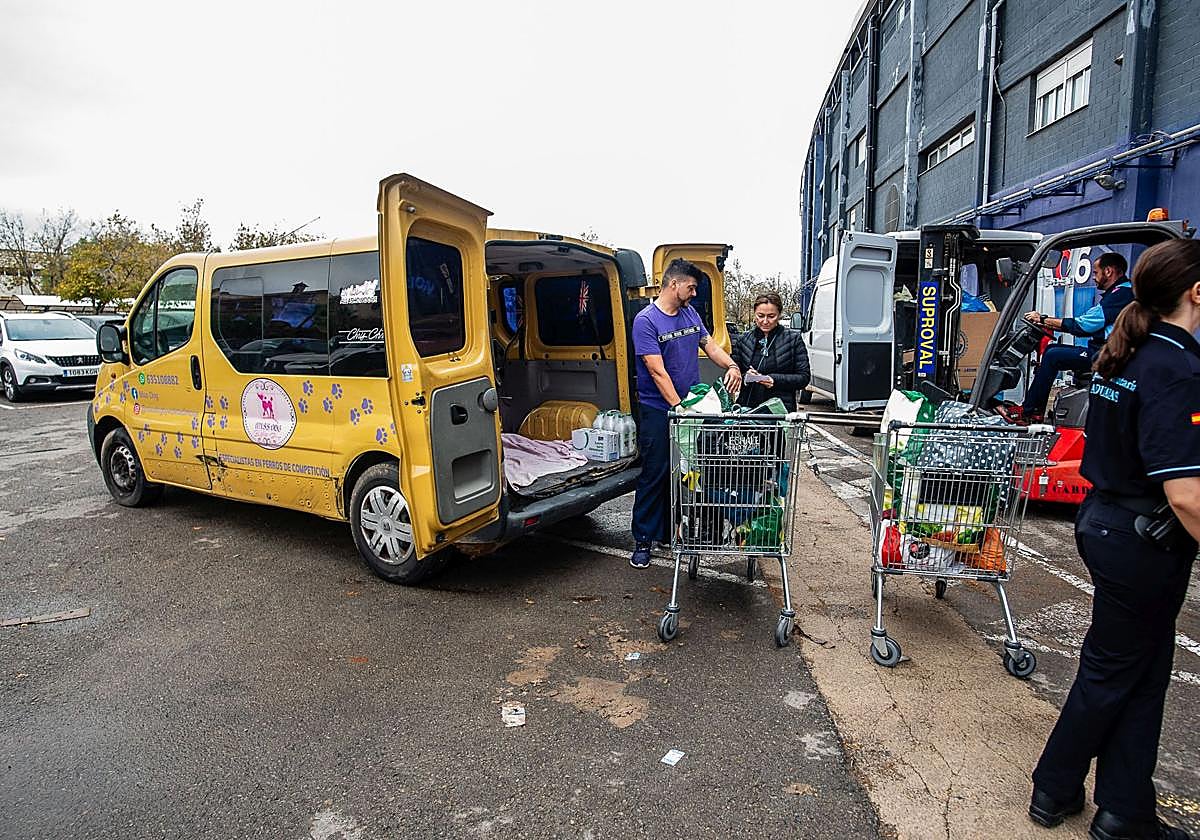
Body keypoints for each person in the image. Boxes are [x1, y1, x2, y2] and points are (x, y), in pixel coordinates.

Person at [1029, 239, 1200, 840]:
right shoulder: (1174, 367)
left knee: (1143, 671)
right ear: (1195, 292)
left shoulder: (1125, 352)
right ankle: (1055, 782)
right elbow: (1184, 493)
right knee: (1113, 670)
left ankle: (1123, 807)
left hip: (1106, 524)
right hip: (1143, 541)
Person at [629, 258, 742, 568]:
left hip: (689, 406)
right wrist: (677, 408)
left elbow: (710, 345)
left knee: (684, 473)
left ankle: (667, 532)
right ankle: (642, 540)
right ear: (674, 284)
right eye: (691, 287)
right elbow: (656, 370)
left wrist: (732, 365)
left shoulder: (690, 314)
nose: (694, 293)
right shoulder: (647, 321)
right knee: (656, 472)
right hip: (658, 410)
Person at [1012, 252, 1133, 422]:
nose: (1094, 278)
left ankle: (1030, 412)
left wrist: (1043, 319)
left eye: (1095, 273)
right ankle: (1033, 407)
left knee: (1053, 356)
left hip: (1107, 354)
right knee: (1053, 349)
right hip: (1103, 350)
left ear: (1108, 271)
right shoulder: (1119, 293)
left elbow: (1083, 326)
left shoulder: (1120, 295)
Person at [732, 292, 811, 412]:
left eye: (771, 316)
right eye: (760, 315)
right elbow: (734, 371)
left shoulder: (793, 339)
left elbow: (804, 377)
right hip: (747, 408)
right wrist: (746, 377)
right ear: (754, 315)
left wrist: (774, 380)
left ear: (779, 315)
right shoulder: (743, 339)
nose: (765, 321)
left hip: (780, 410)